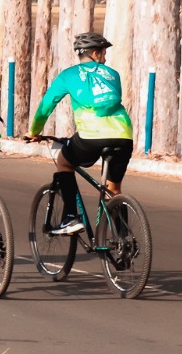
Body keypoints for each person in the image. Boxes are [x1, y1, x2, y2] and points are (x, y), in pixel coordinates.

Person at [25, 31, 132, 235]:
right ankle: (123, 243)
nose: (105, 57)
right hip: (123, 135)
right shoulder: (113, 74)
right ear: (94, 53)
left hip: (92, 136)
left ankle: (70, 217)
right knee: (114, 189)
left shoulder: (67, 75)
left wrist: (34, 132)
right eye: (102, 53)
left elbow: (46, 106)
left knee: (64, 162)